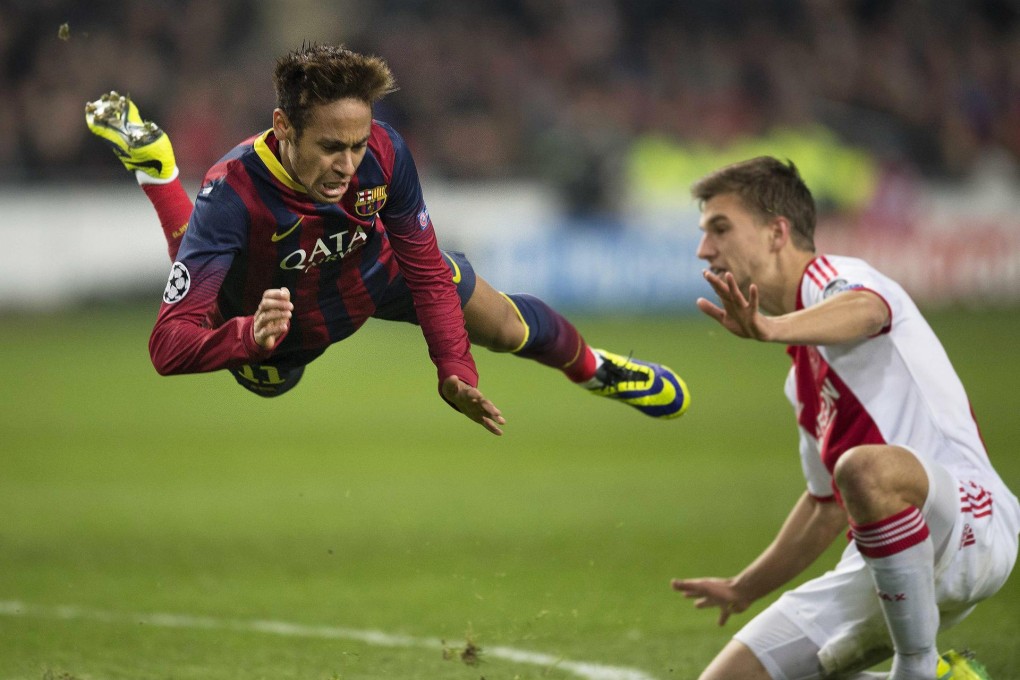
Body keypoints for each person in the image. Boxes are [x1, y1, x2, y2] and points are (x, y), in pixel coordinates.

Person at [84, 44, 689, 436]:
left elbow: (424, 264)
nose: (349, 164)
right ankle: (159, 171)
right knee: (262, 365)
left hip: (374, 273)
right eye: (330, 147)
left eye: (357, 144)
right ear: (283, 127)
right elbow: (169, 345)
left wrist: (456, 369)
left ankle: (599, 369)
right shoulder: (233, 191)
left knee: (506, 325)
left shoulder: (386, 152)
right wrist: (247, 335)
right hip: (277, 316)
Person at [671, 156, 1018, 679]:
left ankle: (918, 669)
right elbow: (825, 508)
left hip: (970, 519)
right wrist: (745, 586)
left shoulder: (837, 277)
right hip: (886, 564)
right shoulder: (801, 380)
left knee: (862, 468)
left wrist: (767, 325)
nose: (704, 248)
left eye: (720, 228)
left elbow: (869, 310)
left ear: (776, 232)